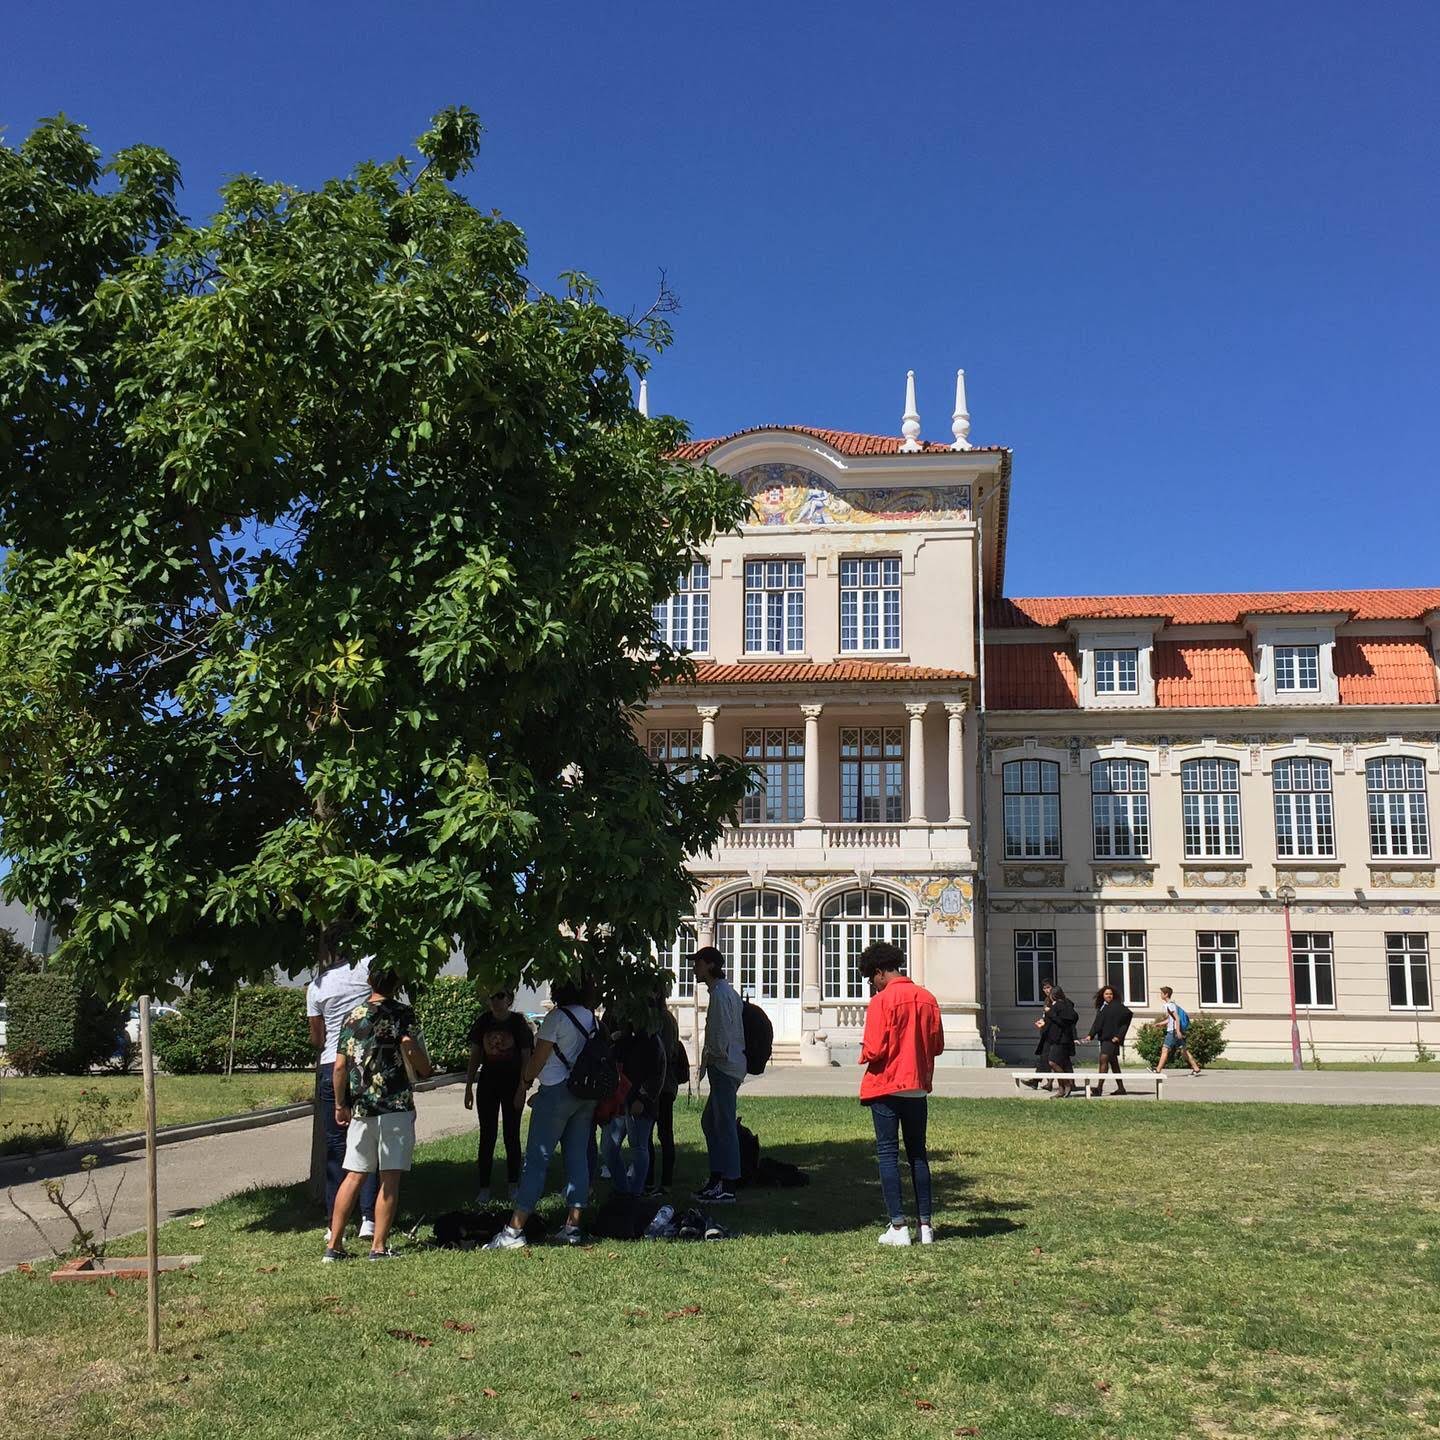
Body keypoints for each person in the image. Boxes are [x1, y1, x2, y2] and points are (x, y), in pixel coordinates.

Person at [324, 966, 433, 1262]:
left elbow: (339, 1067)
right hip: (395, 1104)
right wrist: (425, 1069)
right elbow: (409, 1046)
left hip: (362, 1107)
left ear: (369, 980)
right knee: (390, 1177)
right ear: (397, 983)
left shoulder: (353, 1016)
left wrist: (340, 1104)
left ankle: (334, 1245)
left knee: (354, 1175)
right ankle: (378, 1247)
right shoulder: (402, 1013)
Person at [486, 978, 601, 1249]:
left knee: (537, 1159)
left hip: (556, 1092)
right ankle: (573, 1226)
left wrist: (525, 1082)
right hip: (585, 1094)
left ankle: (515, 1229)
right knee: (578, 1158)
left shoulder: (556, 1018)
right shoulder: (592, 1019)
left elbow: (538, 1058)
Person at [858, 941, 945, 1247]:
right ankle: (925, 1225)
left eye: (871, 978)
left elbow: (874, 1049)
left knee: (887, 1154)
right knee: (918, 1154)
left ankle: (898, 1225)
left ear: (880, 972)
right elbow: (937, 1046)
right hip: (917, 1086)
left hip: (887, 1084)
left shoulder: (881, 1001)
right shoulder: (928, 998)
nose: (873, 984)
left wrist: (863, 1053)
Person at [307, 951, 379, 1245]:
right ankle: (368, 1218)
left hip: (330, 1064)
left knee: (336, 1147)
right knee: (367, 1142)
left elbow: (317, 1038)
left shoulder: (317, 985)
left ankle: (333, 1222)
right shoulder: (366, 969)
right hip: (365, 1062)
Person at [463, 988, 534, 1205]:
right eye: (492, 996)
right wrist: (468, 1086)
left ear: (509, 999)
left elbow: (526, 1057)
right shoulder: (483, 1021)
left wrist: (522, 1088)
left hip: (512, 1084)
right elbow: (475, 1054)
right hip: (488, 1084)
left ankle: (513, 1184)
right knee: (487, 1135)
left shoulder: (518, 1023)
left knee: (511, 1134)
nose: (495, 1000)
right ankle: (484, 1188)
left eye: (500, 996)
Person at [693, 945, 744, 1205]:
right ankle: (717, 1178)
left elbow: (722, 1034)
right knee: (710, 1122)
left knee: (723, 1124)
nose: (695, 968)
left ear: (711, 965)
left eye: (698, 963)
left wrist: (713, 1057)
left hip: (724, 1066)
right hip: (725, 1065)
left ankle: (728, 1183)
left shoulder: (722, 994)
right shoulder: (723, 992)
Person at [602, 1002, 668, 1196]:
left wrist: (642, 1097)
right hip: (621, 1100)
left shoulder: (652, 1040)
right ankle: (624, 1189)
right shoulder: (625, 1038)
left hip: (639, 1101)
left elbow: (657, 1073)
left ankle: (635, 1192)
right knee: (609, 1147)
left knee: (638, 1146)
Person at [646, 980, 688, 1196]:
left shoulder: (660, 1019)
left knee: (658, 1134)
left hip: (660, 1085)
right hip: (663, 1085)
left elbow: (661, 1053)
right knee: (656, 1134)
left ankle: (660, 1181)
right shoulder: (666, 1018)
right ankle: (655, 1180)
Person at [1086, 984, 1133, 1097]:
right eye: (1106, 994)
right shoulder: (1102, 1007)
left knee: (1103, 1059)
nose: (1109, 996)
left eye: (1110, 994)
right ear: (1103, 995)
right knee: (1114, 1064)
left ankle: (1099, 1088)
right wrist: (1090, 1035)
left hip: (1112, 1040)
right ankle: (1121, 1088)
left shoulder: (1118, 1006)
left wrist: (1119, 1036)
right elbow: (1097, 1023)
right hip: (1104, 1038)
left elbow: (1128, 1017)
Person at [1036, 985, 1080, 1097]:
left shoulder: (1061, 1005)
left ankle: (1066, 1084)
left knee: (1053, 1062)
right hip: (1057, 1039)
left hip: (1061, 1040)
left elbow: (1064, 1020)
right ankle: (1061, 1090)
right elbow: (1054, 1021)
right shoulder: (1058, 1005)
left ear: (1053, 995)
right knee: (1060, 1063)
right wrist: (1044, 1023)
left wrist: (1050, 1013)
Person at [1021, 978, 1058, 1090]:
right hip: (1046, 1033)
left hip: (1053, 1034)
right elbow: (1047, 1017)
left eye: (1048, 987)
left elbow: (1056, 1016)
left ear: (1053, 987)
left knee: (1048, 1058)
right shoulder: (1047, 1000)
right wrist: (1042, 1021)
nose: (1046, 990)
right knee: (1045, 1058)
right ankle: (1044, 1082)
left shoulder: (1055, 1000)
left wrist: (1046, 1021)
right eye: (1044, 988)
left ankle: (1038, 1081)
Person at [1156, 986, 1203, 1075]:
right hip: (1174, 1030)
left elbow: (1177, 1018)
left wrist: (1177, 1031)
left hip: (1173, 1031)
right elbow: (1171, 1019)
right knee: (1184, 1051)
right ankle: (1196, 1068)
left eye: (1161, 993)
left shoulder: (1170, 1005)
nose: (1160, 995)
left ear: (1166, 994)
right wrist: (1160, 1024)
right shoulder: (1171, 1004)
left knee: (1165, 1049)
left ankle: (1158, 1070)